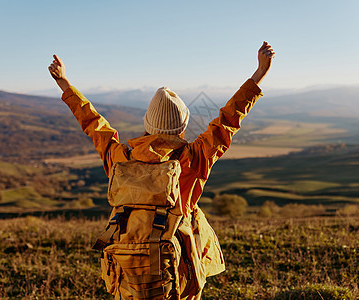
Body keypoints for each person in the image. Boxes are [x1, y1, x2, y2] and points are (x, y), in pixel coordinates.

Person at [48, 41, 275, 299]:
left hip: (128, 274)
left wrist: (64, 83)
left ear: (147, 123)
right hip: (177, 272)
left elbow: (93, 123)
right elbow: (227, 122)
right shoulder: (192, 157)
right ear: (182, 127)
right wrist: (259, 74)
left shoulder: (121, 157)